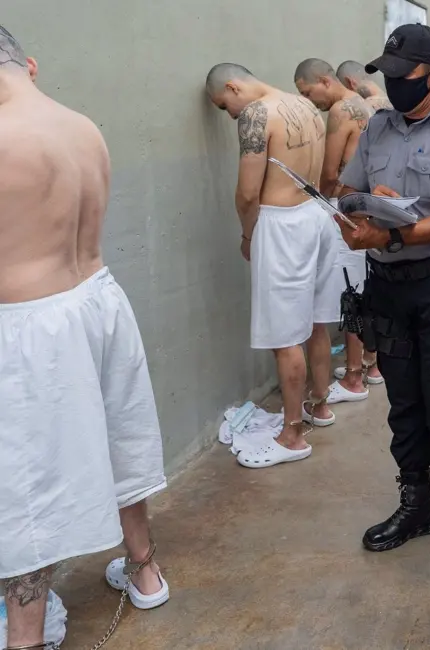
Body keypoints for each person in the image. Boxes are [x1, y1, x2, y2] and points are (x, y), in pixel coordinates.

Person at [0, 25, 170, 650]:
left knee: (24, 486)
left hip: (29, 323)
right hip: (97, 300)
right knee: (118, 437)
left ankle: (25, 637)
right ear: (30, 65)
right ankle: (145, 569)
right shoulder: (82, 127)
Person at [332, 24, 430, 555]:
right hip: (388, 287)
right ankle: (418, 503)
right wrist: (357, 213)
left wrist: (392, 233)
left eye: (405, 74)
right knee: (403, 402)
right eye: (389, 74)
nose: (395, 83)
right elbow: (346, 190)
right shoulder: (377, 127)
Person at [206, 63, 339, 466]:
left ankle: (292, 435)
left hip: (283, 226)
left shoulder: (256, 114)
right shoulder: (304, 105)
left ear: (233, 87)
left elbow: (248, 193)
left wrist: (248, 235)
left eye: (223, 105)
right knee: (315, 320)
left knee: (285, 336)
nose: (229, 114)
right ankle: (320, 405)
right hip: (316, 216)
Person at [293, 58, 386, 396]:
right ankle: (370, 365)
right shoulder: (366, 105)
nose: (309, 100)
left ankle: (353, 378)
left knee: (350, 294)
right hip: (366, 205)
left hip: (344, 207)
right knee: (362, 288)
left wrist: (314, 197)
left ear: (324, 80)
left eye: (308, 92)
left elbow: (330, 173)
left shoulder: (339, 111)